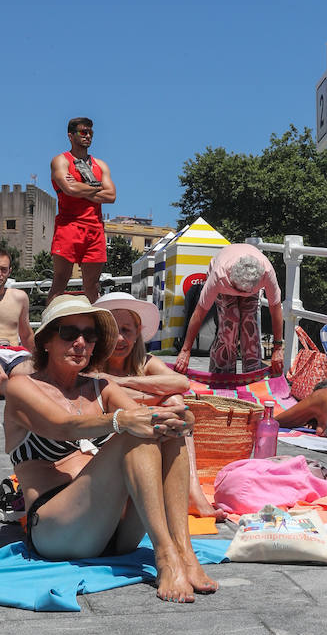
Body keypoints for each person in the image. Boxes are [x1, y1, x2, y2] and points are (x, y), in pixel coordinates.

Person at [3, 294, 218, 603]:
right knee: (132, 431)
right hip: (58, 530)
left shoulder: (100, 388)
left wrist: (182, 420)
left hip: (116, 533)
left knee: (163, 431)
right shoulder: (22, 386)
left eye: (89, 336)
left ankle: (184, 552)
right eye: (69, 333)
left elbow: (149, 421)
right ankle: (165, 557)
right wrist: (122, 420)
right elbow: (63, 426)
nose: (80, 342)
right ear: (47, 340)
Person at [93, 291, 226, 520]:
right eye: (112, 331)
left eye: (126, 331)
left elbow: (181, 383)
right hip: (107, 442)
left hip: (147, 432)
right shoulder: (90, 362)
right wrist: (153, 395)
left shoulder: (144, 362)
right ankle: (186, 494)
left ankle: (192, 492)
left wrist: (123, 381)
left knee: (175, 401)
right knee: (172, 403)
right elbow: (103, 394)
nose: (119, 339)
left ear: (137, 334)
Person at [174, 244, 284, 379]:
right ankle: (221, 375)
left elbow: (275, 308)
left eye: (244, 292)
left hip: (251, 286)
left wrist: (278, 348)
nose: (241, 295)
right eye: (239, 291)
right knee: (230, 323)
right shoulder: (218, 276)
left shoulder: (266, 273)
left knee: (249, 325)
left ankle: (252, 374)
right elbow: (199, 313)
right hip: (225, 285)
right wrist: (185, 350)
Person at [49, 118, 116, 302]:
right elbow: (69, 190)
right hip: (68, 226)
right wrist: (97, 188)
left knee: (92, 285)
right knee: (60, 280)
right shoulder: (60, 161)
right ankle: (49, 329)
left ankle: (98, 329)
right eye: (83, 132)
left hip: (95, 229)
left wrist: (80, 189)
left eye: (90, 133)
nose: (88, 136)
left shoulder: (100, 165)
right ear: (70, 136)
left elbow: (111, 196)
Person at [0, 250, 33, 396]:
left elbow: (26, 334)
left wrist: (39, 360)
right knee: (1, 378)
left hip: (15, 353)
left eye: (3, 269)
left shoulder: (20, 297)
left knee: (33, 376)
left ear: (9, 271)